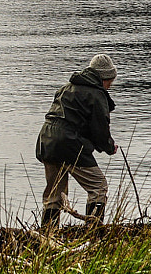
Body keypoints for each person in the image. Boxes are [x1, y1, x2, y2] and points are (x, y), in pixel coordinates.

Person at [34, 53, 118, 230]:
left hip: (47, 141)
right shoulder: (97, 94)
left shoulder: (66, 88)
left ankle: (48, 233)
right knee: (98, 186)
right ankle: (93, 232)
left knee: (54, 193)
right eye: (110, 82)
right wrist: (109, 147)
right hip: (69, 144)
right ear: (105, 78)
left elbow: (66, 119)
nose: (110, 86)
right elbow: (100, 129)